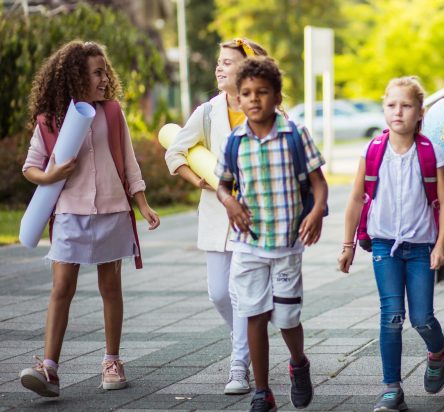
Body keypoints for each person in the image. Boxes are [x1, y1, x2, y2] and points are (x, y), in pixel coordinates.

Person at [18, 40, 160, 397]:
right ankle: (49, 368)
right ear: (76, 76)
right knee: (61, 289)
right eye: (97, 73)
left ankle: (111, 361)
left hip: (113, 211)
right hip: (69, 214)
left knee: (110, 288)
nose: (105, 79)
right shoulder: (50, 120)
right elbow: (31, 167)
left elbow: (128, 161)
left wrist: (142, 204)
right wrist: (51, 176)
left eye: (105, 72)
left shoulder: (112, 113)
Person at [215, 56, 328, 412]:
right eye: (245, 93)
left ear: (276, 97)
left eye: (262, 92)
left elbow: (318, 184)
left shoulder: (295, 135)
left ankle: (298, 363)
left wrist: (315, 214)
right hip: (248, 245)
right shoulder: (235, 141)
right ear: (237, 98)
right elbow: (222, 185)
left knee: (286, 317)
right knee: (253, 314)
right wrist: (229, 204)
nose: (253, 99)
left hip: (286, 245)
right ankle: (262, 391)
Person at [338, 76, 444, 412]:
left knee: (422, 318)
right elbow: (356, 199)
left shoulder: (431, 151)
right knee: (391, 316)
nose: (398, 112)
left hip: (421, 248)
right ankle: (392, 388)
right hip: (383, 246)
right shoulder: (373, 150)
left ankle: (439, 351)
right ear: (383, 109)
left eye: (406, 106)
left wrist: (440, 244)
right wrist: (347, 244)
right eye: (391, 105)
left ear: (420, 112)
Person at [164, 38, 267, 394]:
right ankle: (247, 336)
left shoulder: (266, 108)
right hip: (215, 217)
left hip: (255, 218)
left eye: (228, 62)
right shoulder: (207, 111)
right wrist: (201, 182)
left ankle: (239, 364)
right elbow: (175, 152)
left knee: (240, 293)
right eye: (218, 62)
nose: (219, 68)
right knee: (219, 294)